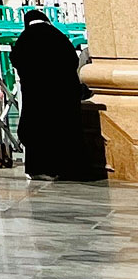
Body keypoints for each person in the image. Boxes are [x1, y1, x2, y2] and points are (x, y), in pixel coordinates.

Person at [10, 10, 105, 180]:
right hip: (62, 95)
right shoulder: (58, 36)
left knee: (38, 131)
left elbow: (16, 58)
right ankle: (64, 168)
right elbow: (72, 61)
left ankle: (38, 169)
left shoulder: (25, 38)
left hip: (36, 95)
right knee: (62, 130)